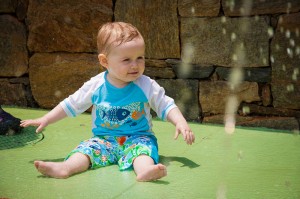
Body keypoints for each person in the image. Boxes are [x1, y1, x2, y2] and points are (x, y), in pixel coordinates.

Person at [20, 22, 195, 182]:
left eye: (140, 57)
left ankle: (146, 171)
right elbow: (71, 104)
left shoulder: (146, 85)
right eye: (127, 60)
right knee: (85, 151)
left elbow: (165, 104)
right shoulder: (96, 85)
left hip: (138, 138)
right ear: (105, 61)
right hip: (104, 140)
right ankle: (66, 168)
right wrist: (46, 119)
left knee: (143, 152)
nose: (135, 65)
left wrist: (180, 122)